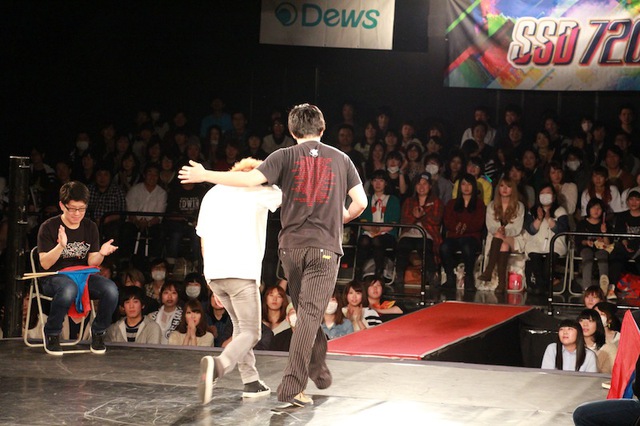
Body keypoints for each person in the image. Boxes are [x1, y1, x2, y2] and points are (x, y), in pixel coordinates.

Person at [180, 103, 367, 410]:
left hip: (286, 251)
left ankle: (311, 370)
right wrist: (340, 217)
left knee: (304, 313)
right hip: (321, 249)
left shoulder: (282, 156)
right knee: (307, 316)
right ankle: (292, 386)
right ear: (322, 128)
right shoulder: (341, 158)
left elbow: (246, 182)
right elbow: (360, 203)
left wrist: (204, 174)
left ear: (292, 131)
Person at [36, 181, 119, 355]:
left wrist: (101, 253)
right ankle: (52, 333)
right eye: (72, 209)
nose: (77, 214)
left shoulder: (90, 226)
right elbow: (45, 264)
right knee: (69, 289)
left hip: (82, 276)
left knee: (111, 290)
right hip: (53, 277)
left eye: (81, 209)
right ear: (62, 205)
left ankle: (98, 332)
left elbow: (92, 262)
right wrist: (60, 246)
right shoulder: (49, 227)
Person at [395, 172, 443, 289]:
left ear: (430, 186)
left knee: (424, 246)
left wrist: (423, 215)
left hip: (428, 233)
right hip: (409, 233)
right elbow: (404, 220)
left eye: (425, 184)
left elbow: (436, 219)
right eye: (419, 184)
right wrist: (414, 216)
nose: (421, 187)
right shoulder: (409, 201)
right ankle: (399, 275)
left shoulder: (436, 201)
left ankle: (432, 275)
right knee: (403, 245)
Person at [478, 177, 525, 293]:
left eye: (508, 186)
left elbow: (517, 228)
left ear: (513, 189)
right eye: (502, 186)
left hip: (514, 238)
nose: (504, 189)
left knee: (500, 237)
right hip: (497, 237)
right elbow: (490, 226)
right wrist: (498, 231)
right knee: (503, 245)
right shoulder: (491, 206)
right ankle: (501, 284)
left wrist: (505, 232)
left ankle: (489, 270)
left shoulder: (519, 206)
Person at [440, 173, 486, 291]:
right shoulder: (451, 203)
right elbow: (448, 221)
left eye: (469, 184)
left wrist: (465, 227)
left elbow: (478, 223)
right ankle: (450, 277)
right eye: (463, 184)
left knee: (467, 245)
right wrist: (457, 226)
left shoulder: (479, 204)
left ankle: (469, 277)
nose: (466, 187)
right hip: (454, 236)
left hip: (471, 236)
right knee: (444, 247)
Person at [523, 183, 569, 295]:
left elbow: (562, 229)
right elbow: (531, 230)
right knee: (535, 262)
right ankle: (545, 288)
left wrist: (549, 219)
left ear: (554, 196)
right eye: (542, 193)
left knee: (549, 264)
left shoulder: (560, 211)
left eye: (548, 193)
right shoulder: (532, 211)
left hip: (554, 245)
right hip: (536, 245)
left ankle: (541, 289)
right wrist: (539, 219)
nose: (545, 196)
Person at [356, 169, 401, 281]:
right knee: (364, 240)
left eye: (381, 180)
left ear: (386, 183)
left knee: (378, 241)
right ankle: (358, 272)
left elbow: (393, 223)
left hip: (387, 233)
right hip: (369, 231)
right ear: (371, 183)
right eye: (375, 180)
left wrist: (379, 230)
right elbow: (363, 222)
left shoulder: (393, 200)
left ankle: (379, 273)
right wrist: (372, 229)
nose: (378, 183)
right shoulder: (367, 200)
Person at [575, 198, 611, 292]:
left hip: (600, 248)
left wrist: (604, 233)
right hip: (586, 248)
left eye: (599, 208)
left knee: (603, 256)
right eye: (593, 208)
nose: (596, 210)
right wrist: (587, 242)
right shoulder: (582, 223)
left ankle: (604, 288)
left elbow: (608, 244)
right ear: (589, 209)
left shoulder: (605, 224)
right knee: (587, 257)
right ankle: (587, 288)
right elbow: (579, 240)